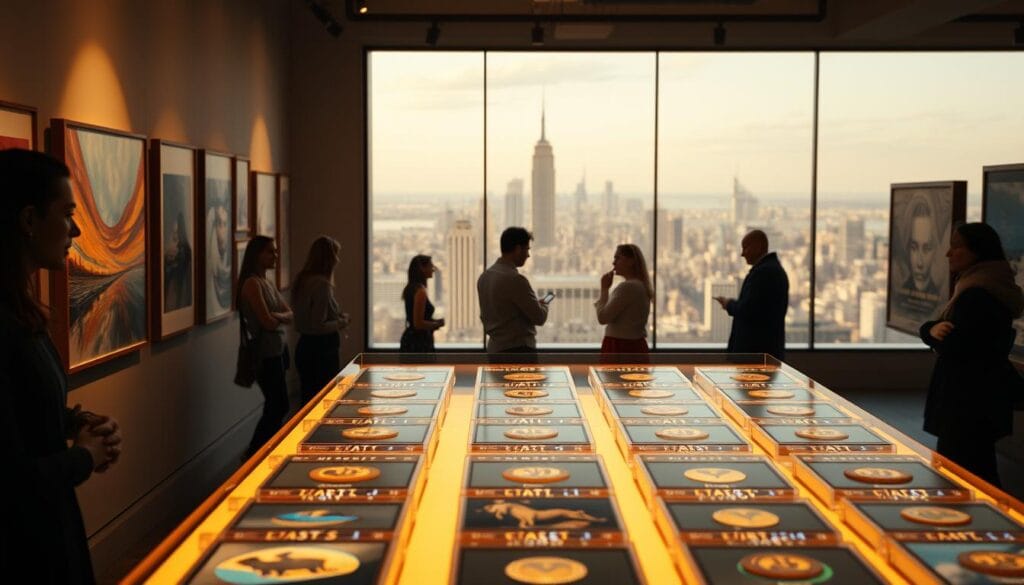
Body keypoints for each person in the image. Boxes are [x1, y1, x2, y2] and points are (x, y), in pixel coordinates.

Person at [0, 148, 123, 584]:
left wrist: (78, 422)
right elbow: (10, 479)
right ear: (29, 220)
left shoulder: (21, 311)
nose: (75, 229)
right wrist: (84, 456)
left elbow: (23, 409)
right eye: (67, 214)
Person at [919, 222, 1024, 487]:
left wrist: (929, 331)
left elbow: (955, 345)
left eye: (956, 247)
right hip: (980, 402)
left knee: (963, 476)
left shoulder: (976, 294)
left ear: (977, 251)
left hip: (965, 404)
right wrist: (932, 329)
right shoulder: (989, 285)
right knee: (977, 471)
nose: (948, 254)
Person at [236, 235, 293, 458]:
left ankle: (264, 451)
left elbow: (288, 314)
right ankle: (255, 453)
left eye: (275, 251)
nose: (275, 256)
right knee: (278, 404)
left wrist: (276, 316)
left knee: (277, 404)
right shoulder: (252, 284)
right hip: (265, 354)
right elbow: (267, 322)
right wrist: (279, 317)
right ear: (256, 255)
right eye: (270, 251)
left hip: (277, 350)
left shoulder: (266, 282)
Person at [715, 229, 789, 359]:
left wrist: (729, 304)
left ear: (758, 247)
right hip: (765, 350)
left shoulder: (763, 274)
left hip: (755, 352)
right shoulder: (772, 270)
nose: (742, 254)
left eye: (746, 248)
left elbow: (748, 309)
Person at [292, 236, 349, 404]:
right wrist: (342, 322)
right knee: (324, 401)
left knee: (308, 398)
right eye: (336, 255)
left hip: (305, 347)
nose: (338, 261)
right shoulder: (322, 284)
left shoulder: (302, 280)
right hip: (322, 351)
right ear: (330, 258)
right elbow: (318, 325)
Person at [478, 227, 549, 353]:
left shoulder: (484, 277)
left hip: (494, 349)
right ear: (517, 249)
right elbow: (539, 317)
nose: (528, 255)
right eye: (527, 249)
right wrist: (544, 304)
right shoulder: (516, 280)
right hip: (518, 351)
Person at [595, 243, 652, 354]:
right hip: (635, 345)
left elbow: (602, 318)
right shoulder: (641, 286)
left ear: (631, 262)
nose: (613, 262)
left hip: (620, 347)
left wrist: (604, 289)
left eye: (618, 258)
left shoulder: (627, 287)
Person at [895, 196, 942, 325]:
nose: (919, 263)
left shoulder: (942, 305)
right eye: (914, 248)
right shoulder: (898, 301)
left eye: (927, 249)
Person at [399, 254, 444, 353]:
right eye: (430, 266)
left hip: (411, 340)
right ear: (422, 269)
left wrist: (433, 322)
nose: (433, 269)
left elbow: (416, 319)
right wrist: (436, 324)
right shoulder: (420, 291)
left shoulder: (411, 288)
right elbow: (418, 324)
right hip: (419, 342)